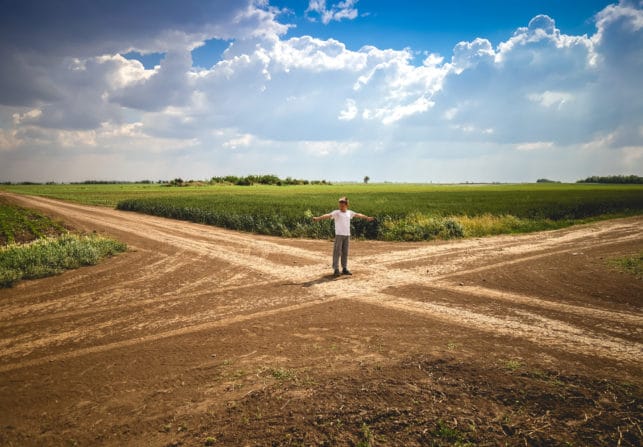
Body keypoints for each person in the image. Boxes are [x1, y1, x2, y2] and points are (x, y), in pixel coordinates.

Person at [312, 196, 374, 277]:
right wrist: (318, 218)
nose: (340, 207)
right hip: (339, 235)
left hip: (347, 235)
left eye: (342, 205)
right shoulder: (336, 212)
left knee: (345, 252)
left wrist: (366, 217)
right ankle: (336, 269)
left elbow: (358, 214)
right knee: (337, 252)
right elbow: (328, 215)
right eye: (340, 205)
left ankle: (344, 268)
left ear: (347, 205)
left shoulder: (349, 212)